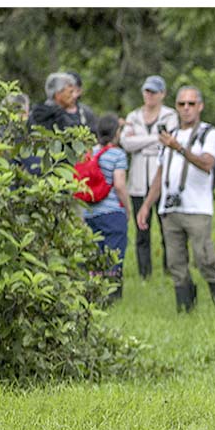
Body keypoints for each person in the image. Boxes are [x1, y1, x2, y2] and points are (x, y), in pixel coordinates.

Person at [136, 86, 215, 313]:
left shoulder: (208, 133)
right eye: (181, 104)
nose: (186, 109)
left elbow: (207, 164)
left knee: (204, 258)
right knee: (175, 262)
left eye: (191, 104)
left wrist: (179, 149)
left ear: (200, 106)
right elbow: (159, 173)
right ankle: (185, 308)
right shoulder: (171, 134)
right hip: (170, 207)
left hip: (197, 207)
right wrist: (146, 205)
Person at [121, 75, 179, 279]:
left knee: (167, 230)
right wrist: (155, 139)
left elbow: (170, 141)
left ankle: (169, 269)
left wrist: (140, 141)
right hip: (137, 182)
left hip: (161, 180)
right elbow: (126, 143)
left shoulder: (170, 115)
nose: (150, 96)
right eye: (147, 91)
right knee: (141, 230)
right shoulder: (134, 115)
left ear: (162, 94)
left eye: (154, 92)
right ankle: (144, 273)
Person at [81, 114, 132, 303]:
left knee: (95, 254)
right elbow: (119, 185)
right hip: (112, 213)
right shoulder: (117, 154)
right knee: (114, 255)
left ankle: (94, 295)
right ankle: (112, 297)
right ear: (115, 133)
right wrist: (127, 209)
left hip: (90, 212)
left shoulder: (90, 152)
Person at [66, 71, 99, 136]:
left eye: (75, 90)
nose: (73, 95)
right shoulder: (53, 111)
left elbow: (95, 134)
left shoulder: (86, 112)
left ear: (80, 91)